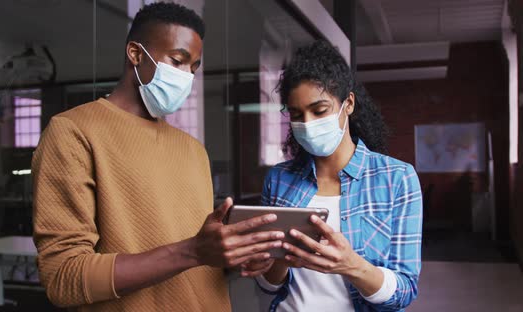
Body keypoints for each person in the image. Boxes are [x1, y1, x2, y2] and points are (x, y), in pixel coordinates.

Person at [32, 3, 283, 311]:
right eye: (178, 61)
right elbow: (62, 278)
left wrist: (233, 253)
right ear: (136, 54)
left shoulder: (193, 150)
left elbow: (200, 264)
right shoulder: (73, 132)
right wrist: (193, 251)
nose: (187, 77)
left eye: (194, 68)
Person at [248, 40, 423, 311]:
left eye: (320, 111)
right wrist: (278, 258)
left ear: (348, 104)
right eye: (296, 114)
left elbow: (404, 291)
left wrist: (352, 266)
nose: (307, 124)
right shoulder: (279, 179)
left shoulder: (397, 179)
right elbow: (268, 286)